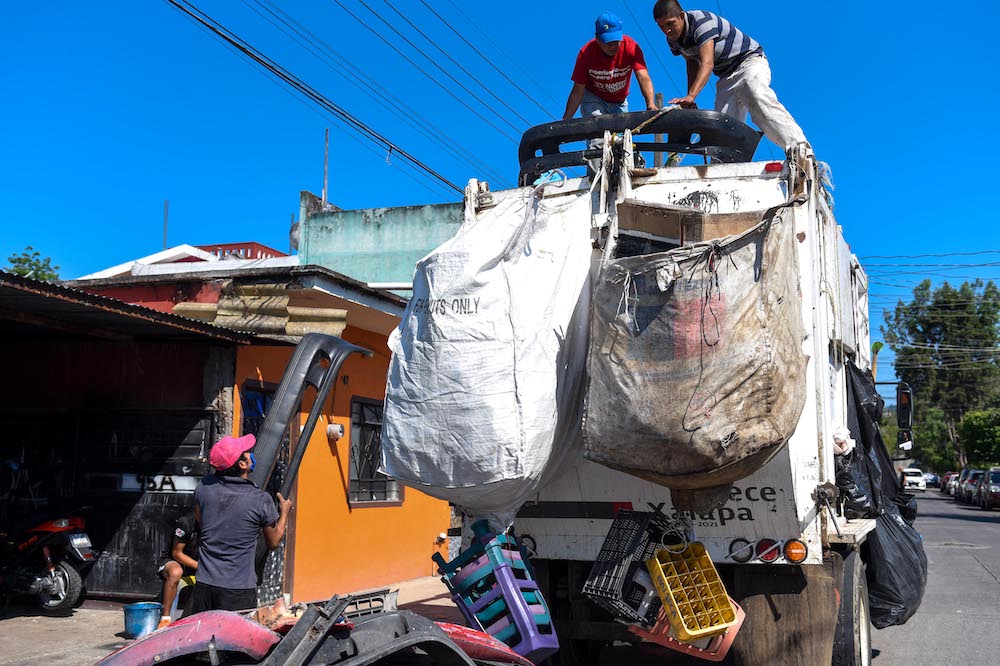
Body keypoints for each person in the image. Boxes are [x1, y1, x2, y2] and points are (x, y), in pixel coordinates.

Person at [652, 0, 808, 150]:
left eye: (670, 24)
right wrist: (690, 98)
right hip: (725, 76)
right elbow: (691, 61)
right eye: (661, 27)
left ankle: (799, 147)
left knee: (756, 96)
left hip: (748, 62)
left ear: (681, 16)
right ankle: (723, 168)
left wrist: (692, 95)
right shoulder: (672, 39)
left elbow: (707, 63)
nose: (667, 30)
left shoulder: (702, 22)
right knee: (723, 128)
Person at [190, 433, 292, 614]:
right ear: (243, 465)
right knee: (235, 641)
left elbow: (200, 519)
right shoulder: (260, 499)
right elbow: (274, 542)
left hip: (204, 584)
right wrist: (284, 512)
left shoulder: (204, 487)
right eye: (247, 452)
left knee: (205, 639)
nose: (251, 453)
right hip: (238, 589)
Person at [562, 11, 658, 122]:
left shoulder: (631, 47)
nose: (612, 46)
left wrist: (650, 103)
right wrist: (566, 119)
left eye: (616, 41)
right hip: (594, 98)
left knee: (620, 137)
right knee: (597, 134)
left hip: (619, 101)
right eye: (608, 42)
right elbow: (578, 90)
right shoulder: (586, 53)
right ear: (597, 38)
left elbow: (643, 77)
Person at [156, 510, 199, 628]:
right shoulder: (185, 523)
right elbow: (176, 553)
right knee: (176, 572)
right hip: (173, 561)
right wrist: (199, 566)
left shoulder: (214, 523)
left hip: (198, 566)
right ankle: (165, 619)